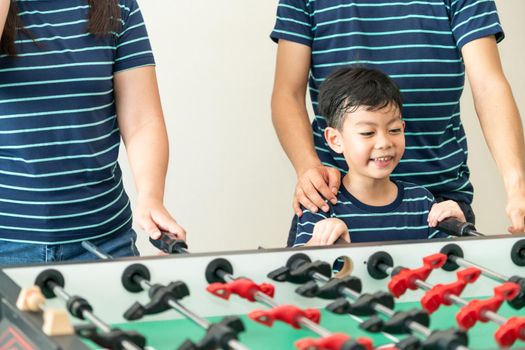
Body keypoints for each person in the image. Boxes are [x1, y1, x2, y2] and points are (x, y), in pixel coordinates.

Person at [270, 0, 525, 247]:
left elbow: (488, 85)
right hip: (336, 203)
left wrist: (517, 186)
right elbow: (287, 93)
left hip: (437, 205)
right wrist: (308, 169)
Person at [0, 0, 185, 264]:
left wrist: (150, 196)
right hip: (6, 243)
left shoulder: (119, 6)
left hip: (104, 241)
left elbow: (142, 120)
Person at [294, 66, 465, 247]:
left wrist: (458, 230)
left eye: (394, 130)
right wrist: (322, 242)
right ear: (335, 140)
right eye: (368, 132)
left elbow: (450, 266)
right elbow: (297, 270)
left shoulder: (421, 202)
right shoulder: (321, 204)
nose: (384, 142)